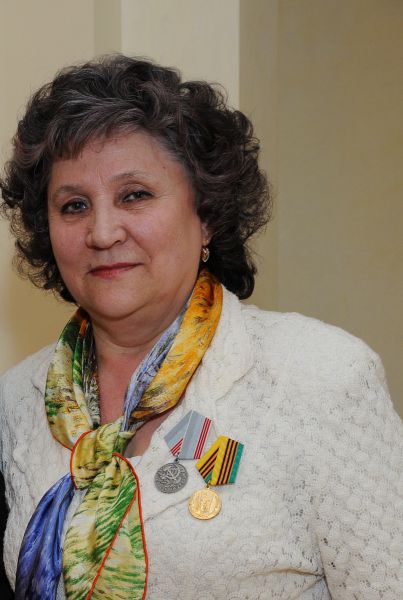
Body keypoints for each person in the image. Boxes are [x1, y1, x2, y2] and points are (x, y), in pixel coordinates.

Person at [0, 55, 402, 600]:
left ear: (206, 213)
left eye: (134, 195)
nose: (102, 231)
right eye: (73, 206)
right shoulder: (18, 402)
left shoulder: (320, 378)